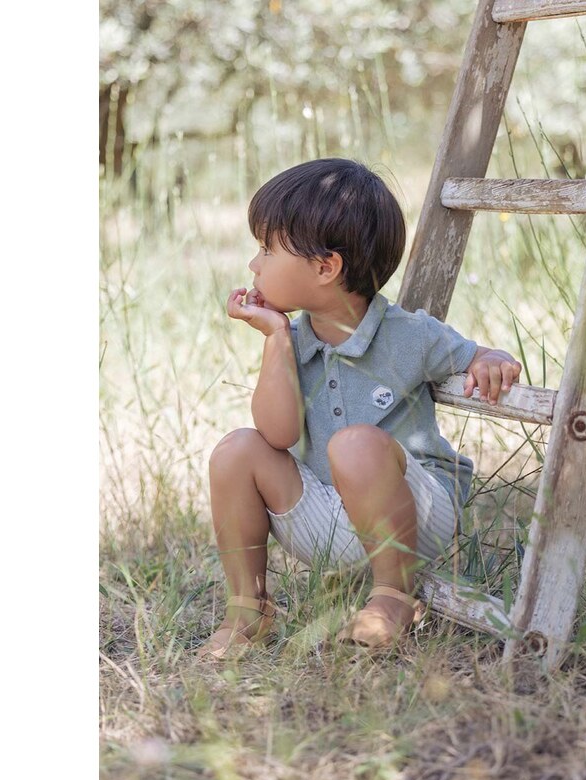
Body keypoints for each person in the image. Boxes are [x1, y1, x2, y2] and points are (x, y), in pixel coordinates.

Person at [197, 158, 521, 658]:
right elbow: (277, 435)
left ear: (326, 267)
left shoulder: (407, 334)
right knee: (238, 448)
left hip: (415, 513)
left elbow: (472, 354)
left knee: (354, 445)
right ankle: (249, 606)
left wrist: (491, 360)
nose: (253, 265)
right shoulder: (294, 338)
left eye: (266, 248)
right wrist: (277, 338)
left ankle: (393, 595)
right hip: (328, 519)